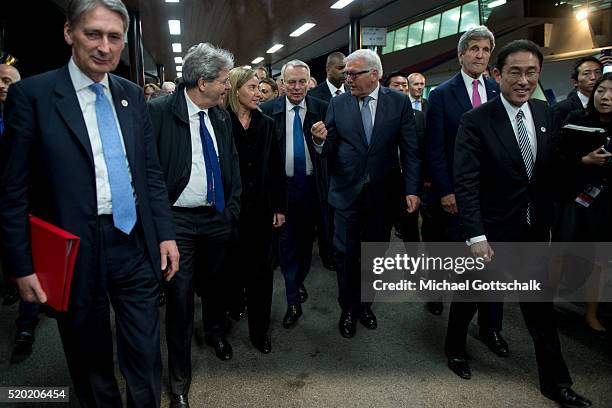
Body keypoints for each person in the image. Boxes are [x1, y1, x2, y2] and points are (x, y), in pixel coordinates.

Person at [0, 1, 180, 406]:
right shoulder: (34, 96)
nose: (104, 46)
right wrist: (21, 265)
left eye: (114, 36)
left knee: (146, 352)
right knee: (88, 355)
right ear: (69, 33)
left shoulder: (132, 96)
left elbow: (150, 174)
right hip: (73, 247)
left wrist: (165, 235)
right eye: (93, 34)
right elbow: (13, 190)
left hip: (133, 240)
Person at [451, 39, 591, 408]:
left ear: (539, 74)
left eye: (531, 72)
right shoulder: (476, 121)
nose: (523, 80)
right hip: (491, 234)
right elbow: (465, 181)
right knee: (470, 298)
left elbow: (550, 172)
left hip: (532, 234)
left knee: (540, 312)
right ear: (497, 75)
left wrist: (583, 164)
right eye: (515, 72)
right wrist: (476, 235)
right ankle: (455, 349)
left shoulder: (546, 114)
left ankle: (556, 384)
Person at [148, 42, 240, 408]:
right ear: (202, 81)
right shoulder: (157, 112)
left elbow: (230, 164)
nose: (228, 87)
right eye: (223, 80)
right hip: (178, 223)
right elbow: (148, 171)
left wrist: (230, 208)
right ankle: (179, 382)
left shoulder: (220, 115)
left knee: (217, 285)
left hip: (217, 217)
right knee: (181, 300)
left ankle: (216, 332)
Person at [311, 49, 421, 338]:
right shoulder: (339, 103)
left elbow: (410, 150)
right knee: (346, 254)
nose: (347, 79)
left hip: (383, 194)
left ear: (374, 74)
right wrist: (320, 141)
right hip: (346, 192)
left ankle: (365, 305)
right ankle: (347, 309)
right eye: (345, 74)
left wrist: (411, 189)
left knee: (375, 254)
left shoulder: (398, 102)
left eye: (353, 74)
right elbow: (330, 145)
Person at [426, 26, 506, 353]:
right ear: (461, 54)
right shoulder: (442, 94)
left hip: (495, 197)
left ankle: (491, 328)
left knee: (496, 265)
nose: (479, 55)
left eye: (485, 50)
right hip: (458, 195)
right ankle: (456, 336)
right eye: (473, 48)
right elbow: (435, 149)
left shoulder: (497, 90)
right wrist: (446, 190)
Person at [260, 60, 328, 329]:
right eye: (291, 82)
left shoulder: (322, 109)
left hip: (311, 188)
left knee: (304, 246)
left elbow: (331, 152)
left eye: (302, 82)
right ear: (282, 84)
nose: (297, 87)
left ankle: (297, 281)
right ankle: (292, 300)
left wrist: (320, 142)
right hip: (282, 189)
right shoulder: (267, 111)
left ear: (310, 82)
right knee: (286, 245)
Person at [225, 66, 286, 353]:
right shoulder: (219, 122)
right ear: (236, 90)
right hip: (229, 211)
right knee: (231, 268)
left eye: (260, 87)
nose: (259, 93)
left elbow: (276, 167)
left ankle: (260, 331)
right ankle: (234, 304)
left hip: (261, 210)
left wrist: (279, 206)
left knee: (262, 273)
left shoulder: (267, 124)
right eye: (252, 87)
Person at [553, 72, 612, 333]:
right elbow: (556, 156)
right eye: (601, 91)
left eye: (611, 92)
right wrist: (583, 161)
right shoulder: (576, 120)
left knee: (600, 259)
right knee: (562, 252)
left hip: (606, 203)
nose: (605, 97)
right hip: (575, 199)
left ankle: (591, 312)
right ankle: (545, 301)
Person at [553, 56, 603, 126]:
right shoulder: (561, 108)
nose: (593, 77)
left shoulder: (608, 103)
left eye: (597, 72)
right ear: (575, 82)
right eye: (586, 73)